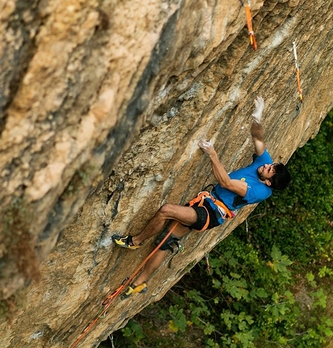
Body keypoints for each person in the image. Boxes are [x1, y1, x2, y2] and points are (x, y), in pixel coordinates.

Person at [112, 96, 291, 298]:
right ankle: (139, 283)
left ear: (268, 182)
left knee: (166, 211)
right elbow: (258, 138)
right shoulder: (264, 164)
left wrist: (213, 154)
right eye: (270, 164)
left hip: (211, 214)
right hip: (206, 202)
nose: (267, 165)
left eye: (269, 170)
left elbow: (226, 183)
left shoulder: (260, 191)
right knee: (165, 241)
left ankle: (135, 241)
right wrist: (258, 117)